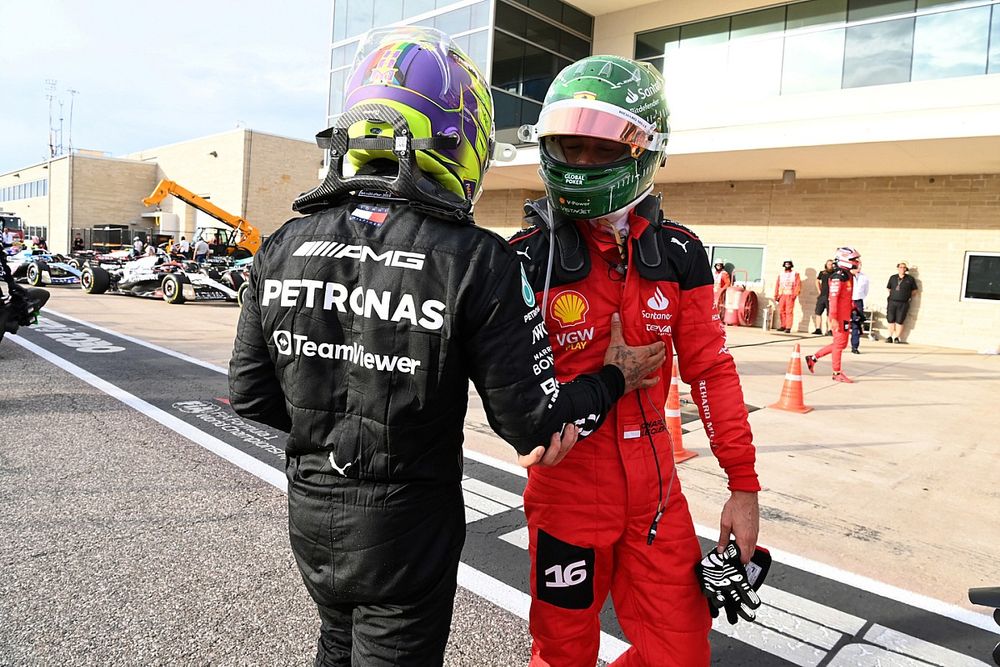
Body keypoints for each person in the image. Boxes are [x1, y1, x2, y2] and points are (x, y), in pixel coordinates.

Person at [228, 28, 666, 667]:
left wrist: (331, 430)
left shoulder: (284, 243)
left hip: (311, 512)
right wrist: (609, 381)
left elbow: (249, 393)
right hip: (409, 524)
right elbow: (536, 428)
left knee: (336, 644)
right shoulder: (475, 257)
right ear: (458, 140)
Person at [511, 54, 760, 666]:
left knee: (681, 653)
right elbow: (500, 387)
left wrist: (743, 486)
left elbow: (710, 370)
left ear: (647, 149)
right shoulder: (524, 257)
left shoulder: (680, 252)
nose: (583, 163)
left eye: (601, 149)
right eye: (570, 148)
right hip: (565, 494)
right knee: (562, 654)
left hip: (657, 501)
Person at [805, 247, 860, 383]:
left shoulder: (848, 275)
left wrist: (854, 309)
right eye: (854, 259)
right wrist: (834, 317)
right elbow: (833, 298)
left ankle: (813, 358)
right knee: (840, 344)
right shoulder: (838, 276)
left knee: (840, 344)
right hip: (838, 316)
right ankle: (836, 373)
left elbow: (846, 296)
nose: (857, 262)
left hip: (845, 314)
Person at [886, 262, 918, 343]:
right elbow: (889, 288)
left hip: (903, 303)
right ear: (898, 268)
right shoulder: (893, 277)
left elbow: (914, 291)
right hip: (892, 302)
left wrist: (906, 296)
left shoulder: (910, 279)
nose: (902, 269)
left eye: (904, 267)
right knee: (890, 319)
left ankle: (897, 337)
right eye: (900, 267)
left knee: (900, 320)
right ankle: (889, 336)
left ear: (906, 269)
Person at [773, 259, 801, 332]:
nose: (787, 265)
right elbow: (777, 285)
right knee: (782, 311)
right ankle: (783, 325)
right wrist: (776, 295)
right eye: (786, 264)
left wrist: (794, 294)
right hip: (782, 295)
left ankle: (788, 327)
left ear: (791, 265)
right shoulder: (781, 274)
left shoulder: (795, 274)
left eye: (789, 264)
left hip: (790, 295)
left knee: (789, 311)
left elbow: (798, 285)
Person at [850, 261, 869, 354]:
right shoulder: (847, 276)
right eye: (857, 266)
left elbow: (866, 291)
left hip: (858, 301)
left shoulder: (864, 277)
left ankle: (854, 346)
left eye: (860, 266)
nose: (858, 268)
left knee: (856, 324)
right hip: (848, 301)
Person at [811, 259, 834, 335]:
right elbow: (817, 281)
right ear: (826, 265)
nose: (830, 266)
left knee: (829, 314)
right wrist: (819, 291)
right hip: (822, 296)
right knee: (818, 312)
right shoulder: (822, 273)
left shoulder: (835, 273)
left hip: (831, 296)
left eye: (831, 264)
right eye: (829, 264)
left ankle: (830, 330)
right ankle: (818, 329)